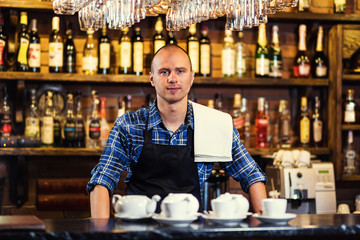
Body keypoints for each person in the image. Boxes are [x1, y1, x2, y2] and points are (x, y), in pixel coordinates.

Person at [87, 44, 267, 218]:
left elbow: (251, 175)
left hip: (191, 232)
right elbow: (102, 181)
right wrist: (100, 233)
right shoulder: (128, 125)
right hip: (139, 231)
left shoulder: (214, 124)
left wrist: (264, 228)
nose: (172, 78)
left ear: (192, 77)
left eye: (180, 71)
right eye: (164, 72)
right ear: (152, 79)